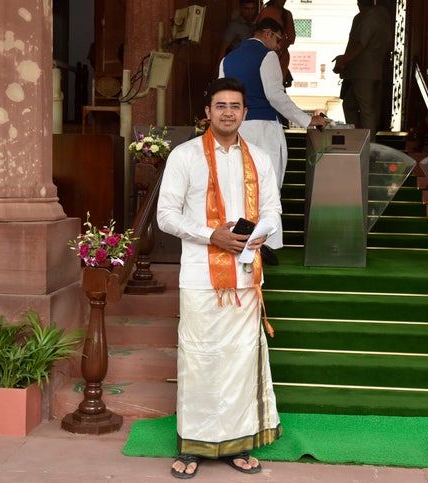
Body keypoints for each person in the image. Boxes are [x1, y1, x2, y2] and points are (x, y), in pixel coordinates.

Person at [156, 77, 283, 479]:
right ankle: (193, 444)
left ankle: (238, 441)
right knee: (199, 356)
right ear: (207, 112)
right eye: (220, 105)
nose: (228, 112)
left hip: (245, 275)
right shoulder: (184, 156)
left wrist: (254, 235)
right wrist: (213, 235)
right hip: (199, 276)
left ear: (246, 113)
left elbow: (274, 212)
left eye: (235, 106)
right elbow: (166, 216)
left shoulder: (260, 159)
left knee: (239, 359)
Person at [220, 17, 328, 260]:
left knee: (238, 185)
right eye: (279, 40)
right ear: (267, 34)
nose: (279, 46)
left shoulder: (227, 60)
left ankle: (239, 240)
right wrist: (307, 120)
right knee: (267, 185)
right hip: (264, 129)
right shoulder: (266, 56)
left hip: (236, 128)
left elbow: (222, 95)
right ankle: (264, 242)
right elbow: (276, 96)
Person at [332, 0, 392, 141]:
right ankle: (358, 138)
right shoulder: (383, 16)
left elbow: (359, 45)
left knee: (367, 110)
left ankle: (368, 145)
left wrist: (344, 60)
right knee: (351, 105)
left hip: (363, 71)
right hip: (376, 69)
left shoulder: (366, 18)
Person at [256, 0, 295, 87]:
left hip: (281, 57)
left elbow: (291, 38)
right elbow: (261, 33)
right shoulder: (266, 11)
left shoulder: (287, 14)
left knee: (277, 85)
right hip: (265, 53)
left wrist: (280, 51)